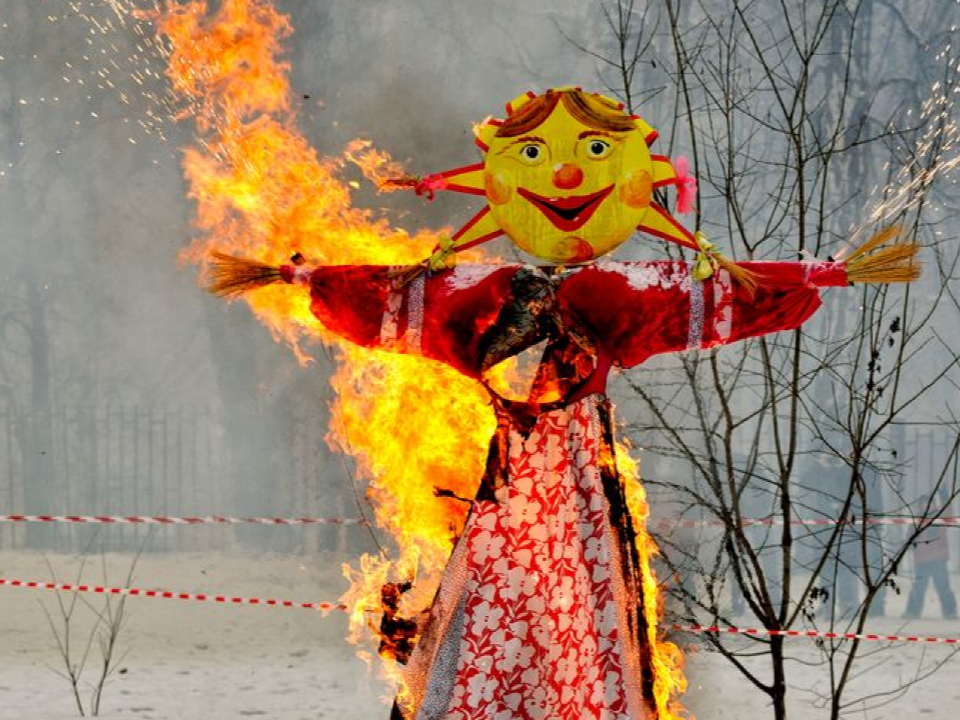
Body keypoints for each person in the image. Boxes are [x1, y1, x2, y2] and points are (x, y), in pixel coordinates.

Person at [208, 88, 918, 720]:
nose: (568, 177)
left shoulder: (564, 297)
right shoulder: (512, 296)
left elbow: (704, 292)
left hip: (550, 488)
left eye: (589, 156)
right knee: (540, 600)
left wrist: (816, 275)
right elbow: (392, 293)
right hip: (549, 488)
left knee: (545, 599)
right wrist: (304, 276)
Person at [904, 494, 958, 620]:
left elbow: (949, 514)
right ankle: (912, 612)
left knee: (943, 586)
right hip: (921, 560)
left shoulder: (940, 517)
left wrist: (945, 499)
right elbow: (909, 537)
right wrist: (909, 544)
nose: (926, 506)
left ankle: (950, 612)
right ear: (920, 506)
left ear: (934, 504)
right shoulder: (916, 521)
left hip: (938, 558)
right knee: (918, 588)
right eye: (923, 503)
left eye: (929, 503)